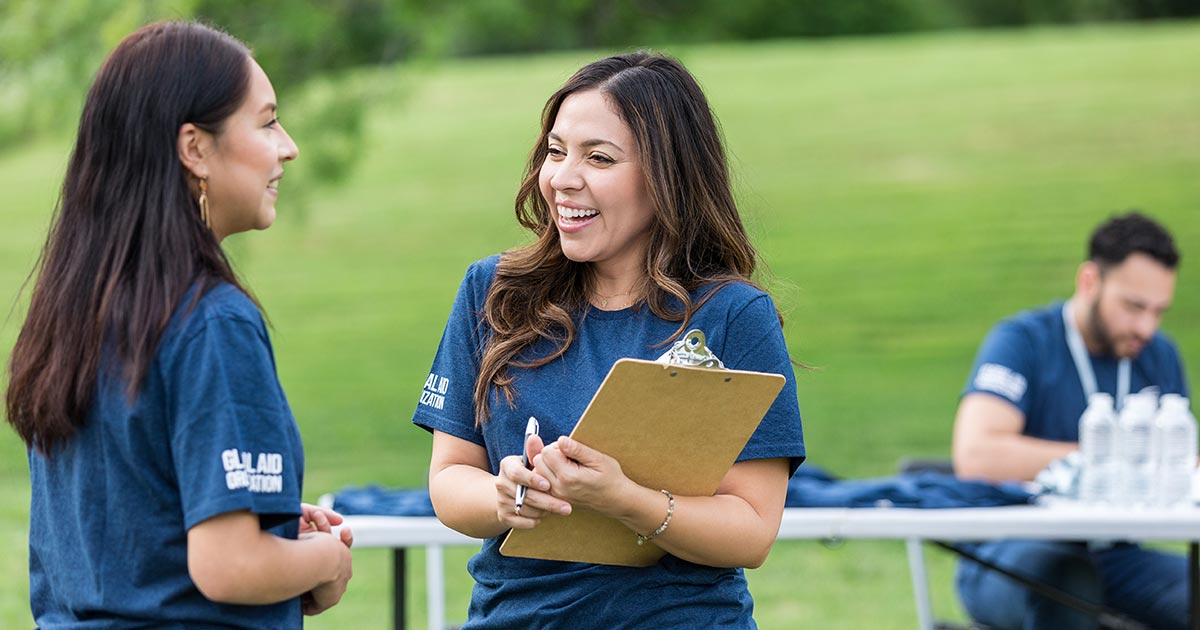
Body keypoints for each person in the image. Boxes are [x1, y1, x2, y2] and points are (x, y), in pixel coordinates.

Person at [412, 52, 805, 627]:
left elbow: (751, 531)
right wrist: (508, 493)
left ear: (667, 176)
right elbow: (449, 479)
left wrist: (623, 499)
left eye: (599, 158)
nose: (562, 178)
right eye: (554, 151)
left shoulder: (732, 315)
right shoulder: (493, 291)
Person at [4, 21, 353, 627]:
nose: (288, 146)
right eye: (267, 122)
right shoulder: (211, 322)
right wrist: (324, 560)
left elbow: (129, 530)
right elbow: (228, 566)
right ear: (194, 148)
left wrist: (264, 523)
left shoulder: (74, 314)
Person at [951, 212, 1187, 629]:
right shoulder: (1022, 341)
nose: (1146, 326)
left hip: (1115, 553)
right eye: (1133, 307)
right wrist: (1109, 458)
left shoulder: (1160, 356)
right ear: (1089, 281)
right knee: (1066, 583)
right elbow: (977, 453)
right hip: (1011, 544)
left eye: (1158, 311)